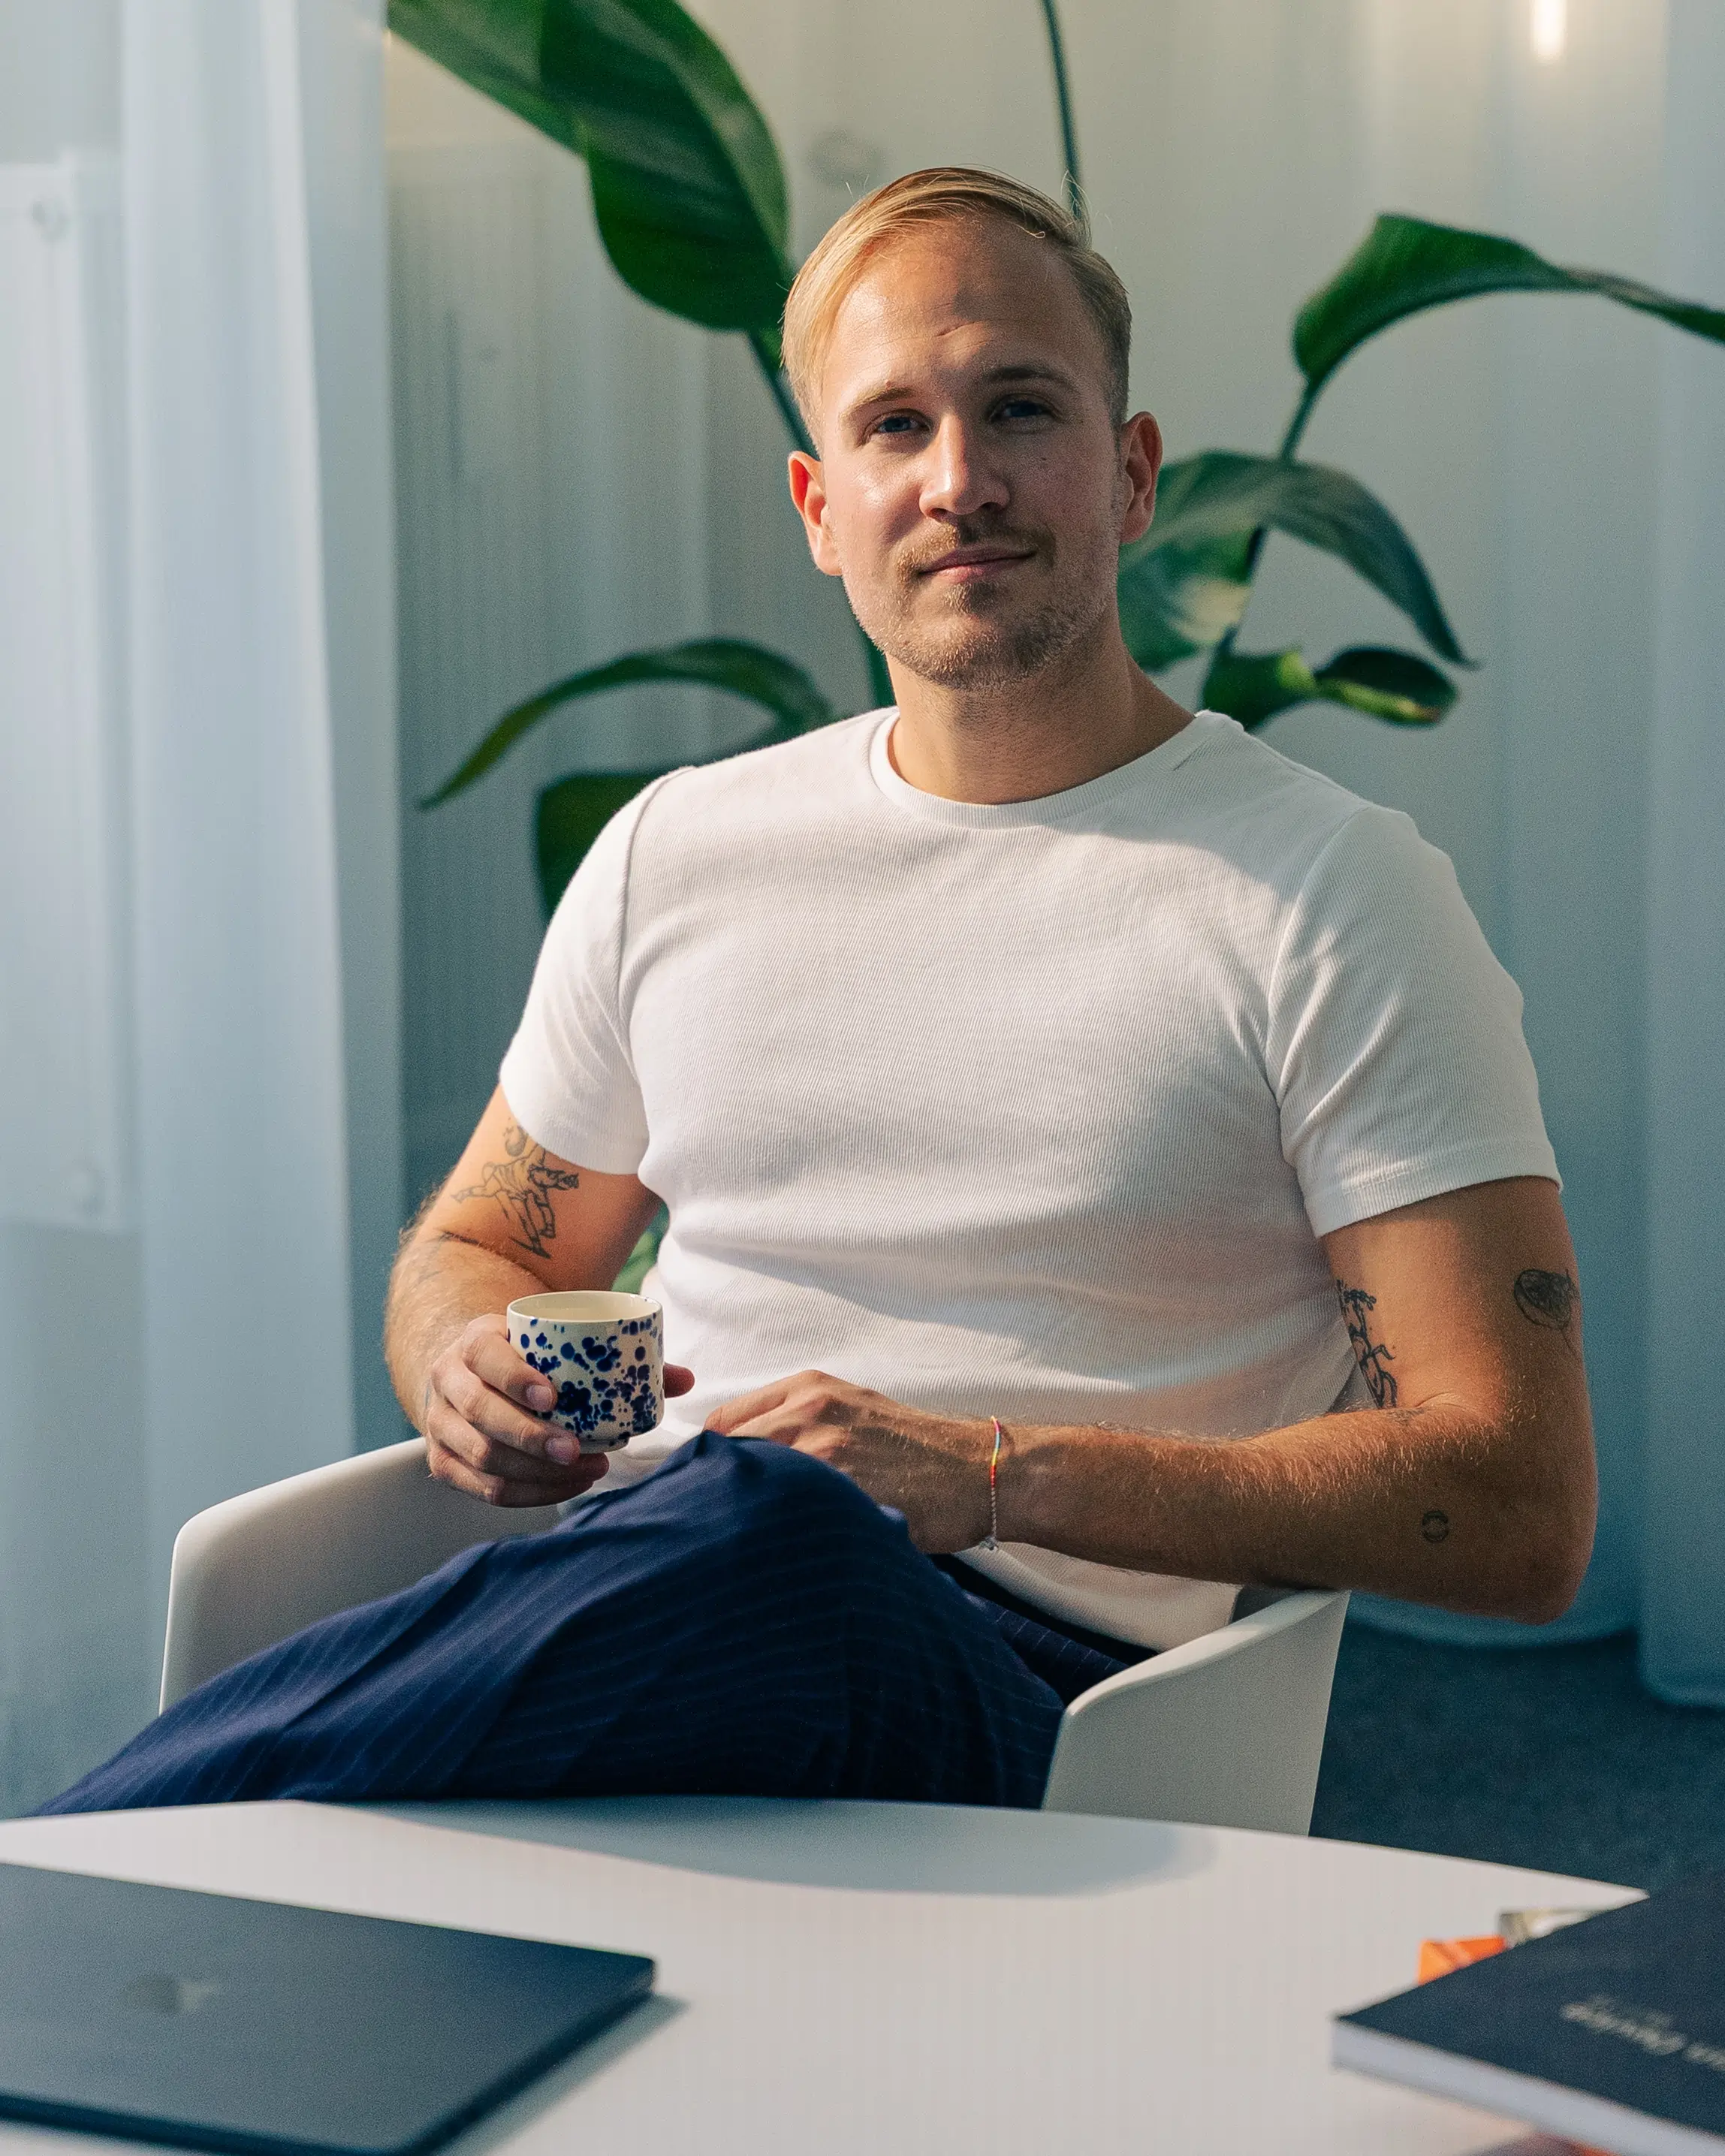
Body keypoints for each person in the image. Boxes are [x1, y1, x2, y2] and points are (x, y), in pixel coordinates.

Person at [44, 167, 1595, 1817]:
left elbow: (1512, 1503)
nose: (959, 482)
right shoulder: (681, 851)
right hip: (634, 1591)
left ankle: (73, 1879)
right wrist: (462, 1363)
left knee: (770, 1528)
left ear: (1129, 475)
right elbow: (481, 1246)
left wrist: (987, 1477)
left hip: (1038, 1695)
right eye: (892, 429)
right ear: (815, 506)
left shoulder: (1332, 897)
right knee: (703, 1547)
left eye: (1018, 408)